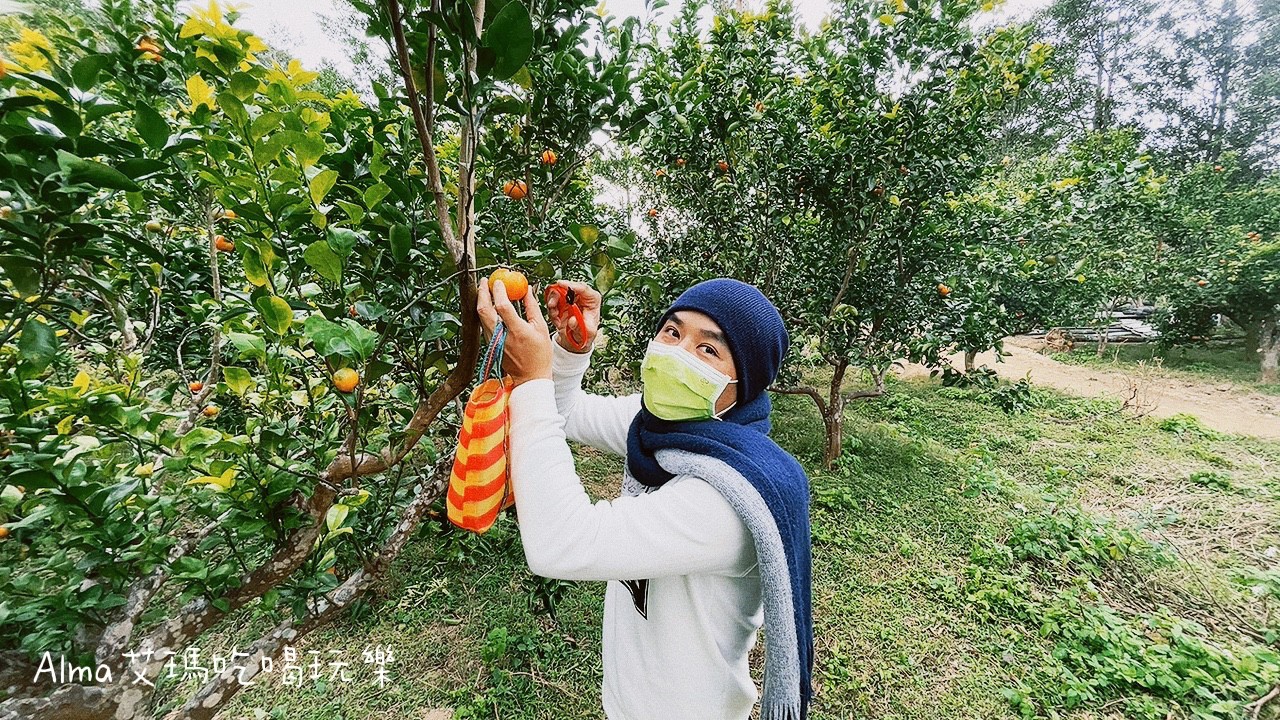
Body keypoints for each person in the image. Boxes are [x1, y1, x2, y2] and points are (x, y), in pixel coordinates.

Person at [476, 276, 814, 720]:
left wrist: (531, 380)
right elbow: (569, 412)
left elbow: (562, 542)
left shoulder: (728, 498)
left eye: (708, 348)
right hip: (630, 702)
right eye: (672, 332)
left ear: (745, 381)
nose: (676, 353)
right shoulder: (665, 426)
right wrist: (570, 352)